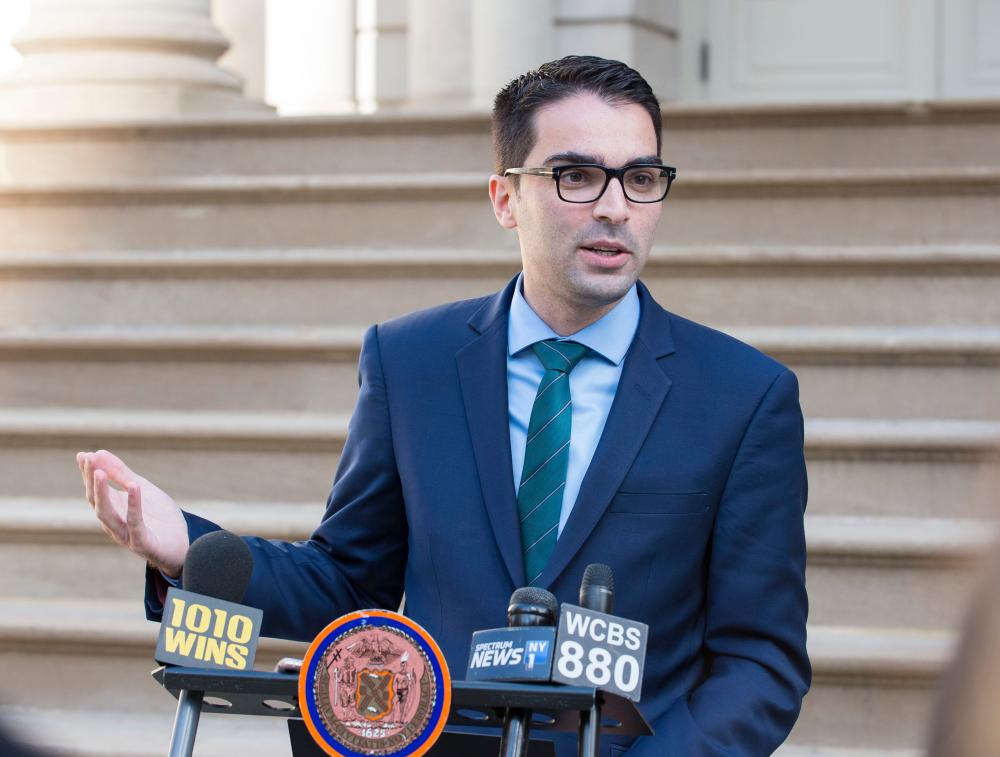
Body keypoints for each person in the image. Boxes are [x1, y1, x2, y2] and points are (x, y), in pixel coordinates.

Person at [76, 55, 810, 756]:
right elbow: (349, 583)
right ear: (504, 198)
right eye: (577, 176)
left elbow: (760, 660)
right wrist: (183, 549)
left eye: (640, 178)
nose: (615, 208)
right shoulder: (410, 362)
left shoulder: (745, 396)